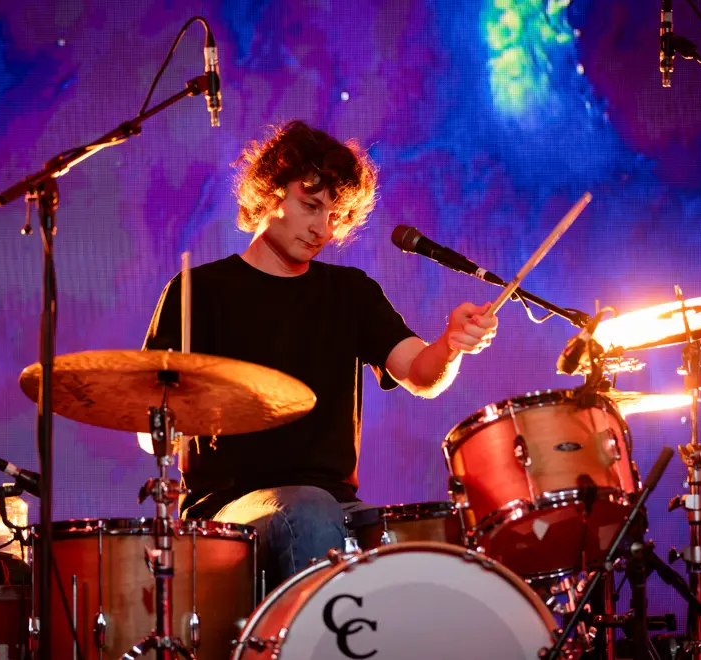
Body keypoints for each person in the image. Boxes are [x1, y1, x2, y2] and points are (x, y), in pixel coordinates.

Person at [142, 120, 497, 590]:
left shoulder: (350, 292)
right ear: (270, 194)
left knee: (415, 542)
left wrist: (451, 343)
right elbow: (150, 426)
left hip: (335, 505)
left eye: (334, 216)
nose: (321, 228)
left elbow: (419, 373)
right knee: (307, 510)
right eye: (310, 206)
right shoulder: (199, 291)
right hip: (229, 511)